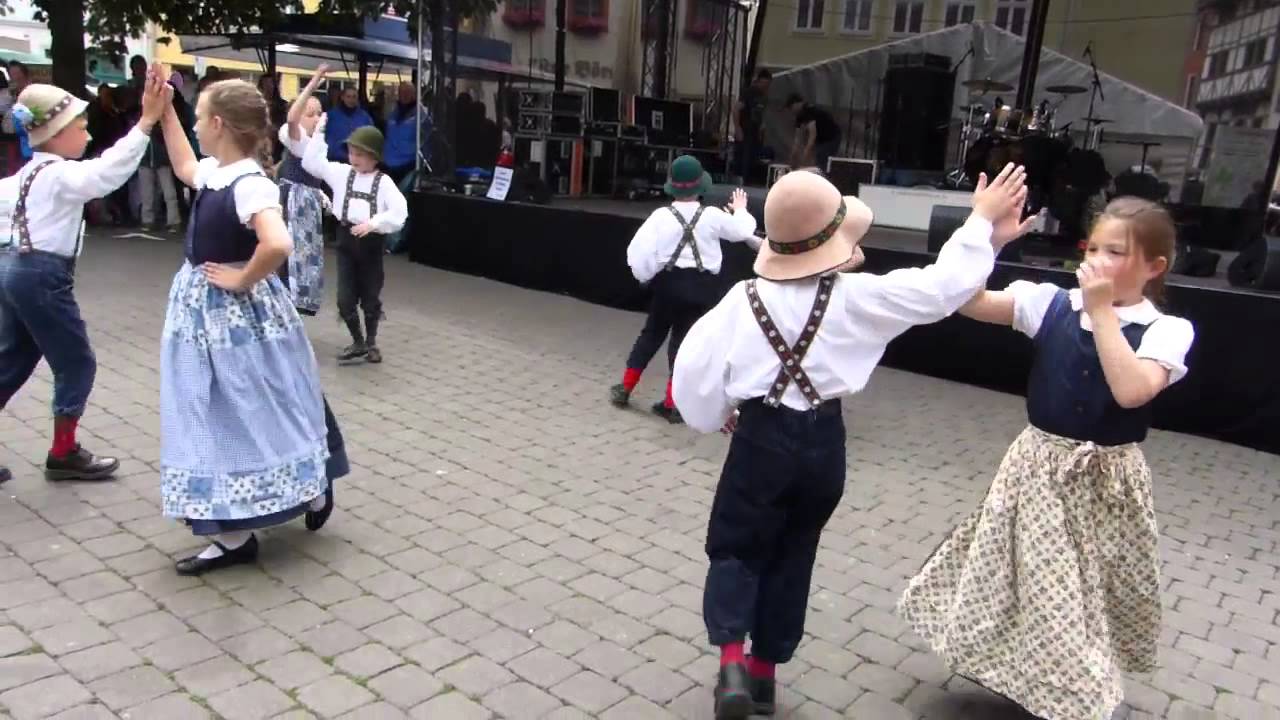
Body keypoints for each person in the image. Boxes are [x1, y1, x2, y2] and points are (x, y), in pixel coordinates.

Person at [672, 165, 1030, 720]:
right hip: (823, 444)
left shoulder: (742, 300)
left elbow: (692, 377)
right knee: (795, 552)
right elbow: (940, 290)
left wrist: (717, 414)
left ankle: (732, 666)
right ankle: (766, 679)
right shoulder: (858, 296)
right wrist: (980, 226)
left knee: (737, 547)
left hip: (760, 439)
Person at [898, 197, 1194, 720]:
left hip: (1108, 482)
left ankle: (1058, 685)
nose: (1099, 259)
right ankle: (1070, 695)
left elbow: (1131, 391)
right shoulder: (1051, 303)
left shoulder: (1167, 331)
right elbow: (968, 302)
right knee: (1040, 582)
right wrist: (990, 241)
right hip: (1037, 469)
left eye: (1116, 251)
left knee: (1087, 590)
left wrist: (1101, 310)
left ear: (1154, 267)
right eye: (1094, 247)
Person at [155, 77, 339, 576]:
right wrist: (165, 111)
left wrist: (242, 278)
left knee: (248, 401)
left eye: (196, 116)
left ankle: (277, 503)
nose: (194, 124)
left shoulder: (251, 183)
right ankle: (236, 528)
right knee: (216, 404)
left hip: (236, 319)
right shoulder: (218, 170)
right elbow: (186, 166)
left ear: (218, 124)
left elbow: (277, 244)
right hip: (206, 313)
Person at [0, 70, 172, 486]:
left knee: (11, 360)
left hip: (12, 267)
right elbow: (105, 174)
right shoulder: (59, 175)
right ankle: (63, 453)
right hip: (42, 274)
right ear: (56, 134)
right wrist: (145, 123)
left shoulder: (22, 177)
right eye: (81, 126)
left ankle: (63, 452)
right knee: (76, 362)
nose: (88, 133)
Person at [610, 155, 759, 423]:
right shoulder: (712, 216)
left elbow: (638, 253)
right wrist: (740, 208)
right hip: (703, 289)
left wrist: (646, 275)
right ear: (700, 187)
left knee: (651, 334)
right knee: (683, 343)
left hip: (669, 285)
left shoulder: (660, 217)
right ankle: (671, 403)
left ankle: (626, 387)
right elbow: (743, 230)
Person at [304, 111, 407, 365]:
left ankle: (371, 343)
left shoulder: (383, 183)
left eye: (360, 154)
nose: (354, 158)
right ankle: (358, 342)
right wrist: (318, 133)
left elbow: (399, 211)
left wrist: (373, 223)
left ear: (374, 157)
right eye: (351, 153)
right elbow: (312, 163)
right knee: (344, 299)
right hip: (346, 240)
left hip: (371, 245)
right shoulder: (341, 173)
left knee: (371, 297)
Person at [276, 65, 332, 315]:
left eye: (319, 113)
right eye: (310, 113)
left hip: (308, 205)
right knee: (289, 259)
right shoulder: (293, 136)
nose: (316, 118)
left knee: (306, 261)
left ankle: (295, 311)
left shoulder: (317, 142)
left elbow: (318, 173)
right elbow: (290, 119)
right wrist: (314, 81)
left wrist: (321, 194)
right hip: (293, 204)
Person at [785, 93, 841, 173]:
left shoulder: (809, 111)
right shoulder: (799, 116)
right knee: (818, 156)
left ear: (797, 104)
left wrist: (803, 158)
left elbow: (812, 136)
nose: (791, 110)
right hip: (821, 139)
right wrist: (792, 156)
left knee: (822, 158)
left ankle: (823, 178)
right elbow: (797, 138)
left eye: (791, 107)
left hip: (832, 137)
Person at [735, 69, 770, 185]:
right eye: (764, 84)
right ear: (758, 81)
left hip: (755, 130)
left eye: (767, 85)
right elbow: (736, 109)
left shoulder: (763, 95)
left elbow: (762, 112)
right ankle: (742, 180)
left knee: (754, 156)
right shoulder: (748, 92)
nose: (765, 86)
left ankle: (750, 180)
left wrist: (762, 126)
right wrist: (738, 128)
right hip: (746, 129)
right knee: (744, 156)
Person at [383, 81, 421, 184]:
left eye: (408, 92)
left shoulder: (421, 114)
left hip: (408, 165)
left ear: (414, 94)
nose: (405, 95)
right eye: (402, 92)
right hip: (389, 164)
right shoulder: (392, 112)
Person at [323, 86, 374, 163]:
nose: (351, 100)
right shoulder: (330, 116)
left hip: (357, 160)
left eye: (354, 97)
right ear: (342, 97)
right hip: (333, 158)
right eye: (348, 96)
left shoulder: (365, 118)